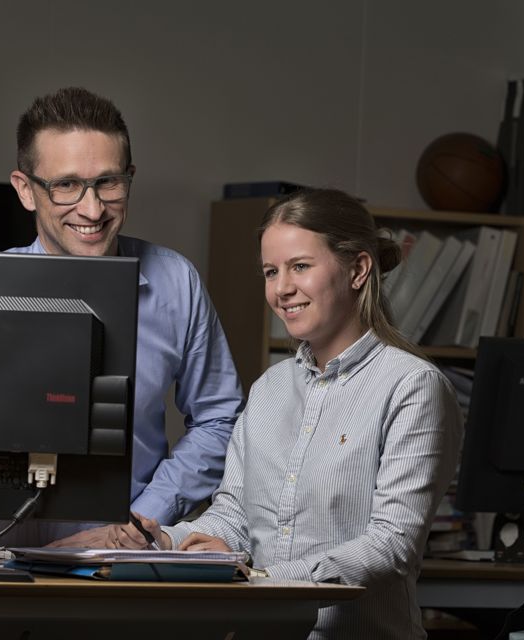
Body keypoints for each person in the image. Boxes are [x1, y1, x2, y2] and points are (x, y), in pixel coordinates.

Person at [120, 188, 463, 638]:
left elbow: (391, 545)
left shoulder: (411, 386)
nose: (282, 289)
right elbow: (234, 517)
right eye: (270, 271)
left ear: (358, 269)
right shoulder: (269, 390)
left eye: (300, 266)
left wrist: (266, 580)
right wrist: (167, 541)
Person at [0, 87, 244, 546]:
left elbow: (219, 418)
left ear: (129, 178)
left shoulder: (175, 282)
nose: (92, 209)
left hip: (119, 555)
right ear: (26, 190)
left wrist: (144, 517)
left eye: (108, 182)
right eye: (65, 184)